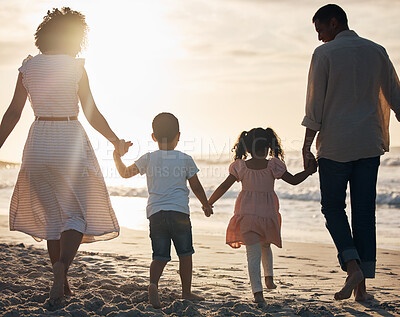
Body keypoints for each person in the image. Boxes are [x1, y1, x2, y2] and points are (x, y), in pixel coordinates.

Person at [0, 8, 131, 303]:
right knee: (76, 215)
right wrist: (115, 140)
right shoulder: (75, 67)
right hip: (69, 140)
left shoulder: (28, 68)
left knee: (52, 219)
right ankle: (62, 268)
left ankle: (64, 282)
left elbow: (12, 114)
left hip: (38, 143)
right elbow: (91, 112)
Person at [301, 4, 400, 301]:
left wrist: (306, 147)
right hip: (369, 144)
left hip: (335, 145)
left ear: (333, 23)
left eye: (320, 30)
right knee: (364, 213)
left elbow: (314, 106)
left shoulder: (324, 54)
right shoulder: (377, 50)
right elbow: (397, 98)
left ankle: (353, 266)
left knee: (332, 209)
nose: (319, 38)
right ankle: (362, 290)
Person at [113, 112, 213, 308]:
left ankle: (153, 285)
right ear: (178, 136)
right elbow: (196, 186)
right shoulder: (185, 159)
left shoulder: (148, 158)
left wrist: (117, 157)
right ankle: (186, 292)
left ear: (153, 137)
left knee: (159, 256)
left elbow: (125, 174)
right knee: (185, 254)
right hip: (179, 214)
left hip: (156, 214)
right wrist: (205, 204)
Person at [208, 127, 317, 303]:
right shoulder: (272, 166)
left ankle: (259, 291)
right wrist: (309, 171)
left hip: (247, 216)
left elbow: (223, 187)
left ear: (248, 149)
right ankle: (268, 279)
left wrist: (209, 203)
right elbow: (295, 180)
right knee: (265, 246)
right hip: (266, 216)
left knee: (253, 254)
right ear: (268, 147)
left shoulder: (241, 167)